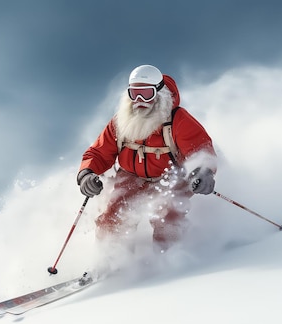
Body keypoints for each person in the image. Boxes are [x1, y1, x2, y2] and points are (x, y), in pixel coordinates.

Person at [77, 64, 217, 251]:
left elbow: (201, 149)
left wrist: (203, 172)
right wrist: (87, 173)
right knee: (115, 216)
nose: (140, 100)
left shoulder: (178, 120)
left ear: (160, 93)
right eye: (135, 94)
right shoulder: (121, 121)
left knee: (167, 214)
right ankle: (111, 261)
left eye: (146, 93)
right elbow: (99, 152)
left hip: (171, 176)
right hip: (131, 177)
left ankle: (170, 258)